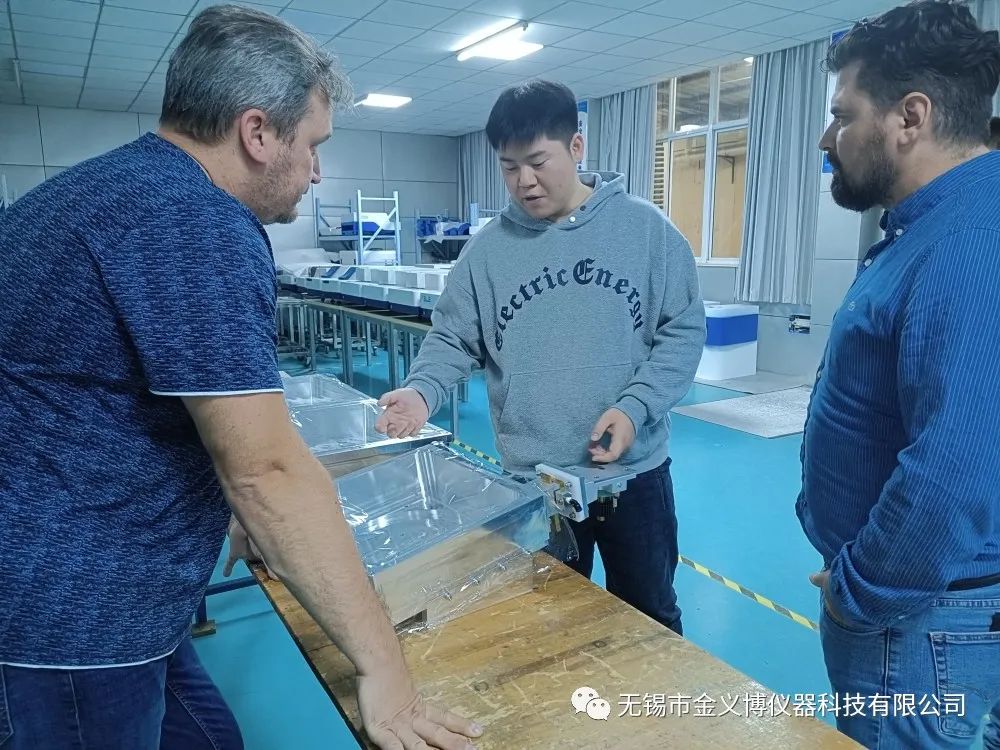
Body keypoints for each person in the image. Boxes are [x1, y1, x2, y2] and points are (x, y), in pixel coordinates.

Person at [0, 6, 481, 750]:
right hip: (72, 621)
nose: (317, 171)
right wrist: (385, 667)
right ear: (257, 133)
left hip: (103, 584)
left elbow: (107, 395)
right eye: (313, 145)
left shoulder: (107, 189)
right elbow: (267, 471)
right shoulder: (194, 221)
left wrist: (211, 504)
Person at [375, 80, 705, 637]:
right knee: (545, 626)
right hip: (537, 482)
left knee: (649, 616)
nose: (523, 181)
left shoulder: (647, 232)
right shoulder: (487, 252)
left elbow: (682, 332)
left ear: (576, 147)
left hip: (634, 478)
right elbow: (454, 337)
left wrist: (634, 409)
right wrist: (421, 390)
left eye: (537, 162)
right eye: (509, 167)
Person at [798, 2, 1000, 748]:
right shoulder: (940, 225)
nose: (828, 139)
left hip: (916, 622)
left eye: (842, 116)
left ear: (910, 117)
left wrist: (862, 594)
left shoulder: (965, 243)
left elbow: (954, 468)